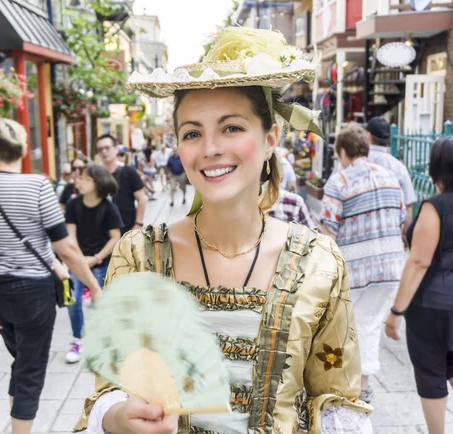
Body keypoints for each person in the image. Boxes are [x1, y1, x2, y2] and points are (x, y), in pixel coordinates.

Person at [74, 26, 371, 434]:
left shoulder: (320, 263)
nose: (210, 147)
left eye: (232, 127)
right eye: (192, 132)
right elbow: (109, 388)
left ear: (270, 138)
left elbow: (336, 399)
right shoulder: (139, 255)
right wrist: (118, 418)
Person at [0, 118, 103, 434]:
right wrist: (93, 286)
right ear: (22, 152)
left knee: (22, 362)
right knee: (31, 370)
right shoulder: (38, 186)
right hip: (32, 293)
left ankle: (16, 422)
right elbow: (67, 248)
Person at [385, 135, 453, 434]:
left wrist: (396, 311)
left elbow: (419, 262)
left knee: (431, 370)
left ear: (438, 168)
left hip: (435, 302)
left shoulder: (436, 207)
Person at [320, 123, 405, 404]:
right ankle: (362, 385)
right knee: (368, 323)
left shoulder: (340, 181)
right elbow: (402, 219)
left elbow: (328, 232)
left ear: (342, 151)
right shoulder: (391, 177)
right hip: (391, 266)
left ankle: (348, 384)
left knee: (345, 325)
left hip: (356, 268)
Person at [64, 164, 123, 363]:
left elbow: (115, 237)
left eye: (85, 179)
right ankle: (77, 340)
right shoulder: (73, 205)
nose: (79, 181)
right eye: (79, 178)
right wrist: (81, 261)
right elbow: (70, 236)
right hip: (77, 263)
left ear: (96, 183)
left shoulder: (109, 208)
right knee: (72, 301)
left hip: (102, 263)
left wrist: (96, 258)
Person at [365, 116, 417, 233]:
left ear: (369, 136)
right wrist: (405, 235)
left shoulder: (357, 163)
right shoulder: (398, 167)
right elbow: (408, 206)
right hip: (391, 234)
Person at [95, 134, 147, 234]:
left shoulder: (129, 171)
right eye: (100, 149)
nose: (104, 152)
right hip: (102, 231)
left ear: (115, 149)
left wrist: (138, 224)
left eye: (107, 148)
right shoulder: (96, 175)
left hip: (127, 228)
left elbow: (141, 198)